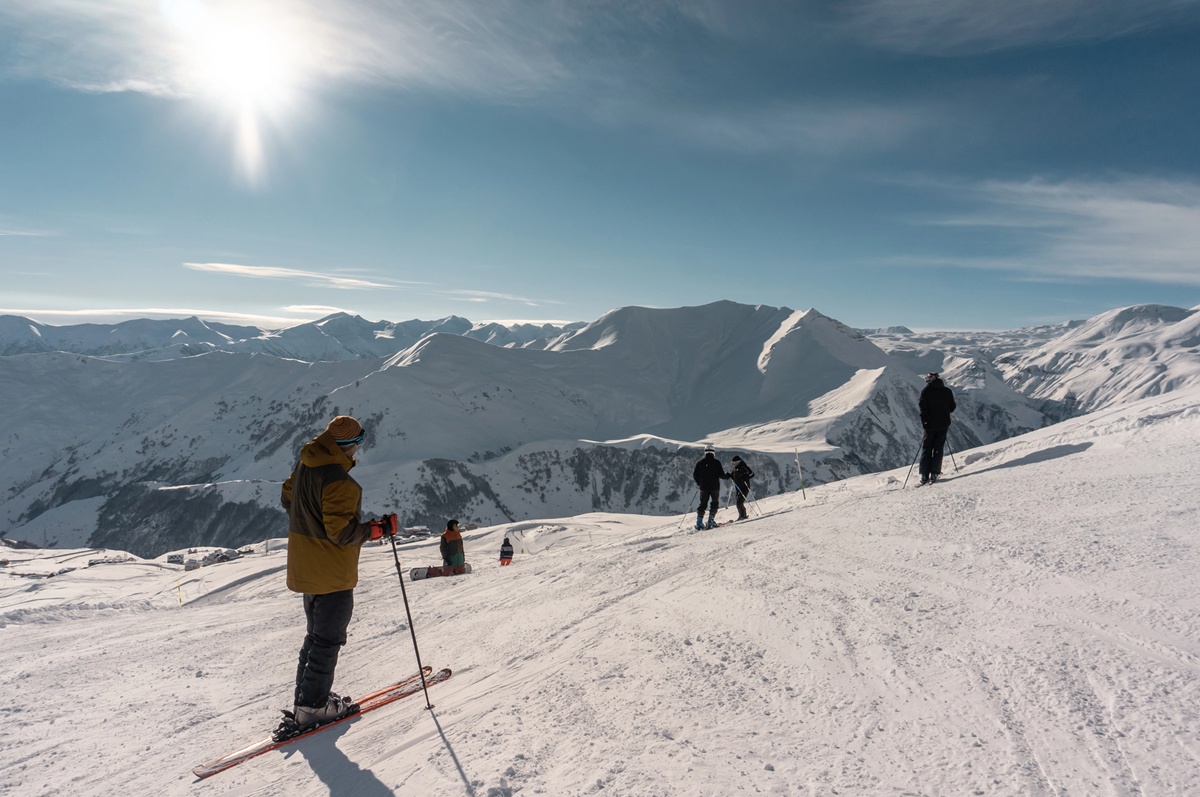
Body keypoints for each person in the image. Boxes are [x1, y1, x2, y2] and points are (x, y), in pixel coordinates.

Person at [279, 415, 397, 736]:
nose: (360, 449)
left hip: (306, 565)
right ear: (350, 445)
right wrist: (378, 529)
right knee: (328, 639)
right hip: (331, 572)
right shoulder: (339, 482)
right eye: (360, 443)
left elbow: (288, 496)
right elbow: (342, 533)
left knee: (315, 637)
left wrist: (308, 519)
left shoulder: (308, 464)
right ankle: (313, 708)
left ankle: (307, 701)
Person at [918, 372, 957, 484]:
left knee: (927, 448)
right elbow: (952, 407)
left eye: (928, 379)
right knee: (938, 448)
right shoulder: (947, 391)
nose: (927, 381)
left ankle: (924, 475)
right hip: (944, 424)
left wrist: (925, 422)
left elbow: (923, 409)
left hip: (930, 425)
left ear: (932, 379)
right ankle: (935, 473)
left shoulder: (926, 392)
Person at [692, 445, 729, 530]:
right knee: (714, 503)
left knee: (703, 504)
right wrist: (728, 476)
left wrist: (699, 483)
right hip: (714, 487)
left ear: (705, 452)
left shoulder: (700, 462)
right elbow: (721, 474)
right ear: (714, 452)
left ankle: (699, 523)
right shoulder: (716, 462)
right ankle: (710, 521)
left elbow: (695, 475)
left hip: (703, 487)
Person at [729, 455, 755, 520]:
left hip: (744, 487)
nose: (734, 464)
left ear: (738, 461)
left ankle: (742, 516)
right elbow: (733, 476)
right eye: (733, 463)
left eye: (735, 462)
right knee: (738, 502)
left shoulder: (744, 467)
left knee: (739, 503)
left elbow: (752, 474)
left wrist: (745, 476)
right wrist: (729, 476)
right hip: (738, 487)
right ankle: (742, 515)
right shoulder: (735, 469)